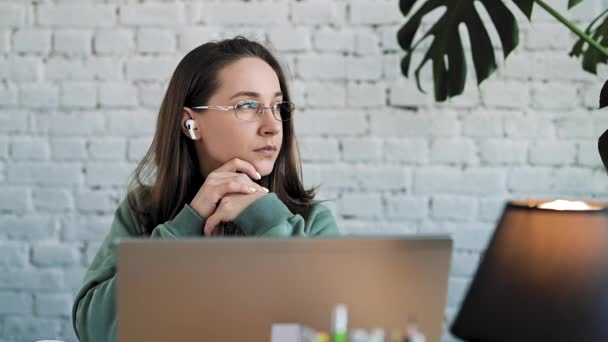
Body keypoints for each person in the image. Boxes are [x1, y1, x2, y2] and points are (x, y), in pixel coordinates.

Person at [71, 37, 340, 342]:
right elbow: (95, 330)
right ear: (191, 124)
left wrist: (267, 220)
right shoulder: (144, 210)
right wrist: (186, 226)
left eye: (278, 106)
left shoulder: (309, 220)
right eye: (249, 106)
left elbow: (337, 328)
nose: (273, 125)